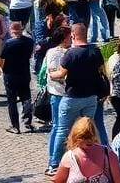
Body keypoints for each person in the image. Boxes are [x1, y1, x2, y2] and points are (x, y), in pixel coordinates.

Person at [48, 23, 106, 176]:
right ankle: (89, 158)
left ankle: (54, 164)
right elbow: (101, 70)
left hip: (72, 97)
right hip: (91, 98)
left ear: (73, 35)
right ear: (86, 34)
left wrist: (51, 74)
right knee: (88, 129)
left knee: (62, 130)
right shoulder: (95, 51)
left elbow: (61, 74)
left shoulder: (70, 54)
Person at [54, 116, 120, 183]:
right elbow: (58, 180)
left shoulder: (109, 155)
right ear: (75, 137)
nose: (89, 140)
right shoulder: (69, 157)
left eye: (91, 136)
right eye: (84, 137)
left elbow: (119, 181)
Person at [0, 20, 35, 133]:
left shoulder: (9, 43)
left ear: (11, 30)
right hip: (24, 73)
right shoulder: (29, 41)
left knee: (12, 100)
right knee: (26, 98)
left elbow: (1, 60)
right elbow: (30, 55)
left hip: (10, 74)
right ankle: (27, 123)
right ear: (22, 29)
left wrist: (1, 70)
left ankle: (15, 126)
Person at [45, 26, 72, 176]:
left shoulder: (69, 51)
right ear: (63, 38)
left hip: (66, 93)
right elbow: (53, 72)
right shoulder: (54, 52)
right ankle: (53, 162)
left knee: (62, 128)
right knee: (57, 127)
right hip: (58, 93)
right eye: (69, 36)